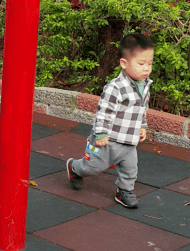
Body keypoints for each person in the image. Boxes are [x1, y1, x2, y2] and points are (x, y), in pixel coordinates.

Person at [66, 33, 154, 208]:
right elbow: (104, 112)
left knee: (130, 168)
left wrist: (142, 126)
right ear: (124, 63)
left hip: (128, 139)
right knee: (92, 168)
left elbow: (141, 109)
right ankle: (74, 168)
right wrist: (100, 133)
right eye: (141, 64)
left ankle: (124, 191)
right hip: (107, 139)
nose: (146, 69)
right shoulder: (115, 88)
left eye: (150, 64)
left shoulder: (144, 85)